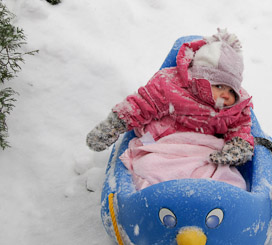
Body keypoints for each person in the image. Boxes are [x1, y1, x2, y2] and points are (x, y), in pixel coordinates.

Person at [86, 28, 254, 168]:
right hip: (161, 143)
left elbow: (241, 127)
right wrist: (114, 124)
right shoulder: (170, 87)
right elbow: (140, 105)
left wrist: (238, 146)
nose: (226, 95)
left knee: (221, 171)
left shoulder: (236, 108)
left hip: (202, 151)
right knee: (147, 165)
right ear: (200, 80)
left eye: (232, 91)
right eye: (219, 86)